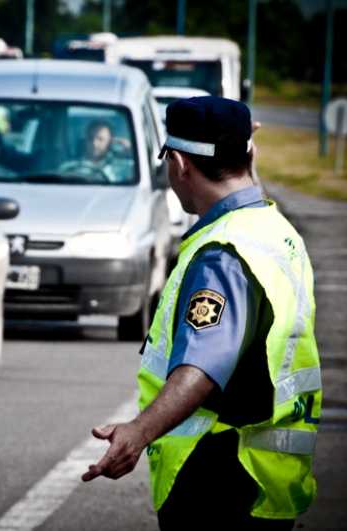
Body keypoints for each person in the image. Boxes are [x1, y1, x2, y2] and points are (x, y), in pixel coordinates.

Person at [81, 96, 321, 530]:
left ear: (178, 162)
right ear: (248, 153)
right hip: (263, 472)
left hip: (217, 477)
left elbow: (203, 364)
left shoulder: (222, 254)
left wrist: (138, 432)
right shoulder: (271, 228)